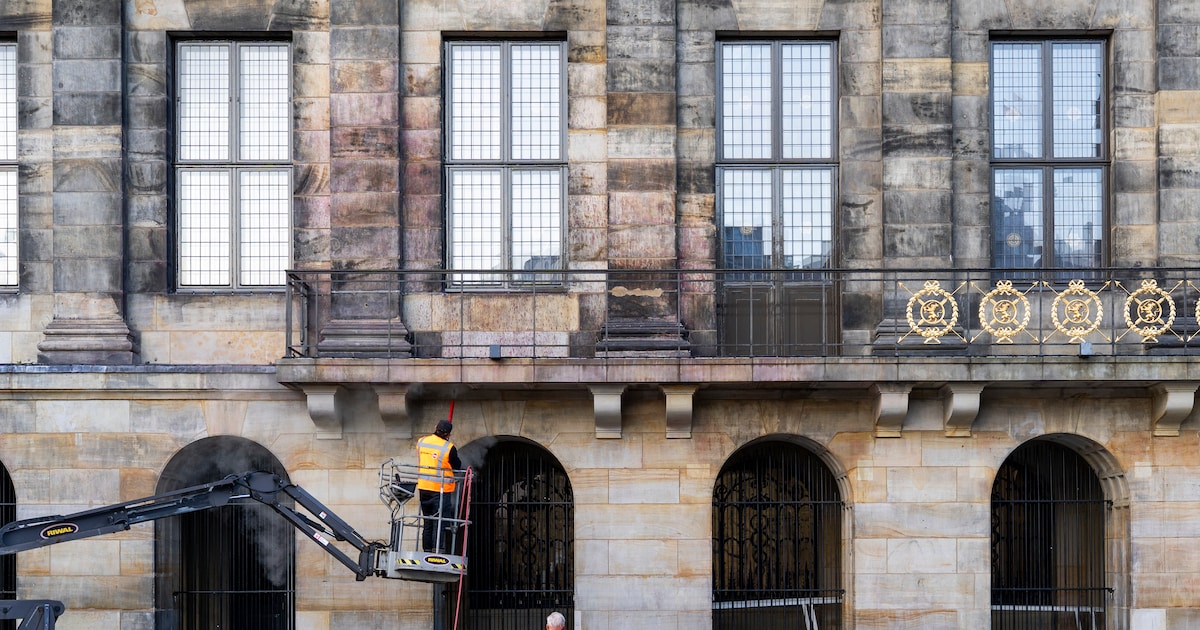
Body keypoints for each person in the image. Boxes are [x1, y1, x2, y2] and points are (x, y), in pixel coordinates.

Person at [416, 418, 462, 553]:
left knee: (428, 521)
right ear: (448, 434)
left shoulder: (421, 442)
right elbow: (457, 466)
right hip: (440, 490)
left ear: (435, 427)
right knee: (440, 522)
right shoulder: (449, 448)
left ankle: (427, 549)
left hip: (424, 488)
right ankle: (438, 551)